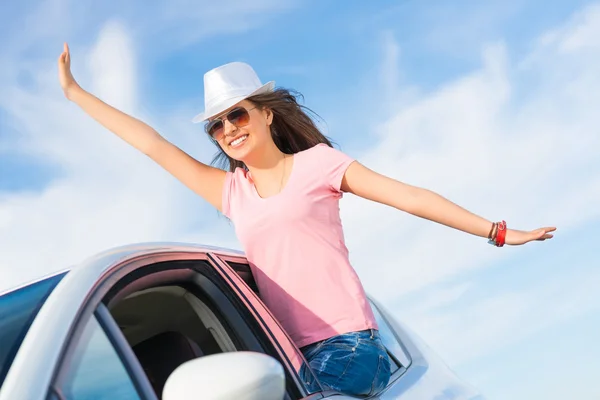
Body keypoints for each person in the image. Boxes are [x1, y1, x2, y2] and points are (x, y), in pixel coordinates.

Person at [57, 42, 555, 396]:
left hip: (350, 349)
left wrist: (497, 231)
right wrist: (76, 95)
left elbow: (410, 197)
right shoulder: (232, 193)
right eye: (217, 125)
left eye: (239, 114)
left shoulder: (318, 164)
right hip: (292, 360)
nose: (229, 129)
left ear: (266, 114)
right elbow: (153, 145)